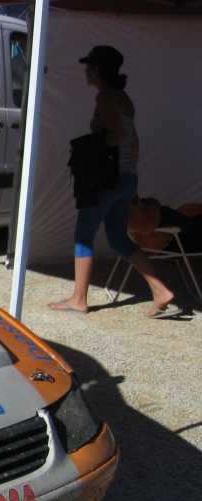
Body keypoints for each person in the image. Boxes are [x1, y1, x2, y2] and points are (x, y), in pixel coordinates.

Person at [49, 45, 176, 317]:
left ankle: (78, 299)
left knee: (84, 234)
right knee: (118, 238)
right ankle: (160, 290)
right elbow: (134, 142)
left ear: (98, 70)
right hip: (126, 177)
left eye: (89, 66)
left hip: (107, 180)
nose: (86, 71)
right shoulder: (124, 98)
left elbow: (115, 136)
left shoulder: (106, 98)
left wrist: (92, 150)